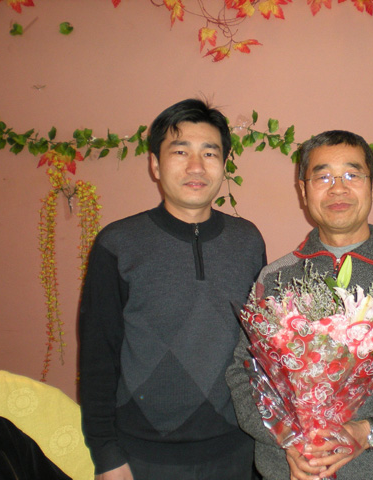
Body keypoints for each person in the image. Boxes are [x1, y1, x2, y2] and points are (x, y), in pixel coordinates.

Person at [226, 130, 373, 480]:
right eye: (322, 177)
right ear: (303, 190)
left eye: (352, 175)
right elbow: (242, 374)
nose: (338, 189)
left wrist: (370, 431)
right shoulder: (273, 278)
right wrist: (286, 438)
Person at [79, 98, 267, 480]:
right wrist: (106, 455)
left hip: (236, 450)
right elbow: (98, 356)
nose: (196, 166)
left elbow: (259, 348)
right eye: (180, 151)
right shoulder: (118, 243)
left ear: (224, 164)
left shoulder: (247, 241)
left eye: (209, 153)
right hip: (142, 455)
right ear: (155, 164)